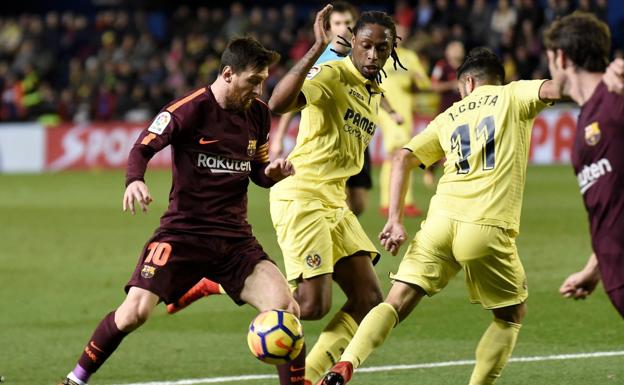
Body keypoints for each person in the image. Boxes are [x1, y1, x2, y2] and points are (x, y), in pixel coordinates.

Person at [57, 37, 303, 385]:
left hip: (235, 241)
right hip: (183, 234)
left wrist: (271, 174)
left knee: (286, 309)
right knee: (134, 313)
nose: (260, 89)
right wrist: (134, 181)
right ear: (229, 74)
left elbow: (258, 173)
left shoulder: (259, 114)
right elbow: (142, 147)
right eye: (253, 80)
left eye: (264, 80)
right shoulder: (189, 108)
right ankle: (75, 379)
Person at [320, 47, 565, 385]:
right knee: (510, 315)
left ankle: (346, 363)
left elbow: (404, 157)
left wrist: (394, 219)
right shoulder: (513, 93)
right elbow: (556, 88)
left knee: (396, 301)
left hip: (440, 223)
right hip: (486, 226)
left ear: (467, 82)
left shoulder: (450, 115)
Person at [268, 6, 403, 385]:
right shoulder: (332, 73)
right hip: (302, 195)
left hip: (334, 202)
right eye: (366, 46)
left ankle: (308, 378)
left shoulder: (373, 91)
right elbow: (277, 104)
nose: (373, 55)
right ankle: (256, 292)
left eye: (382, 48)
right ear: (353, 44)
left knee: (368, 299)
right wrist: (316, 48)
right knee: (312, 305)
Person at [544, 12, 624, 318]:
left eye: (551, 60)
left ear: (561, 58)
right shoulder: (588, 118)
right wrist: (595, 268)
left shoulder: (616, 97)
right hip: (614, 272)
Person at [377, 24, 430, 218]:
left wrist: (419, 78)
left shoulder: (410, 57)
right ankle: (396, 202)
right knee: (397, 154)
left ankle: (391, 202)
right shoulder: (380, 54)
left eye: (403, 32)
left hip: (405, 112)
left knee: (399, 156)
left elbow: (425, 83)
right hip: (388, 111)